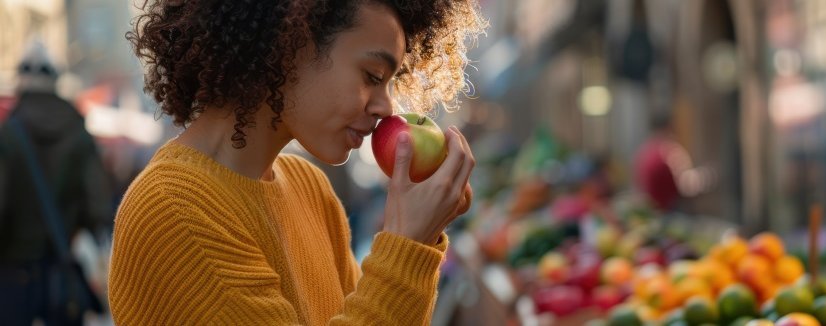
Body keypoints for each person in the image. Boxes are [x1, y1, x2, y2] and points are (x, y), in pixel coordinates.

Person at [108, 0, 485, 324]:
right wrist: (407, 246)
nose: (387, 106)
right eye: (372, 75)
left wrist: (418, 241)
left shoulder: (310, 187)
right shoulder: (172, 211)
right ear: (290, 42)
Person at [0, 41, 113, 325]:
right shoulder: (77, 130)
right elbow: (97, 205)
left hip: (12, 275)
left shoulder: (7, 135)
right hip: (60, 272)